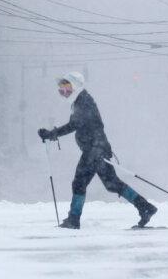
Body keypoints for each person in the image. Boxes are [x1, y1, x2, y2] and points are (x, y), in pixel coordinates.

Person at [38, 71, 157, 229]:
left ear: (76, 86)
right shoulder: (80, 101)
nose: (63, 91)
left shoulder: (83, 101)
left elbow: (74, 125)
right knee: (112, 184)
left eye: (66, 87)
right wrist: (53, 134)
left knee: (80, 182)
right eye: (62, 88)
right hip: (97, 148)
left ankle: (73, 220)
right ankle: (145, 207)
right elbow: (77, 124)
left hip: (94, 150)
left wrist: (52, 134)